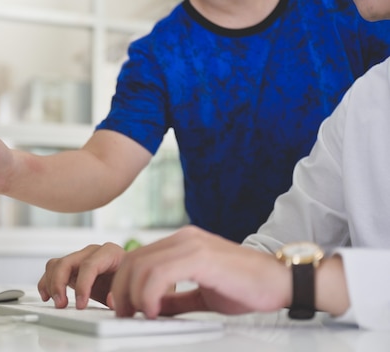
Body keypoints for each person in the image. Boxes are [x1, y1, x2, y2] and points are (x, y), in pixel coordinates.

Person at [0, 0, 390, 243]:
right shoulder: (161, 54)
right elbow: (103, 165)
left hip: (357, 269)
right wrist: (12, 173)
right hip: (231, 275)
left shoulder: (348, 10)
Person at [37, 0, 390, 330]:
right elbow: (271, 260)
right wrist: (161, 278)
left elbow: (280, 278)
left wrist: (291, 282)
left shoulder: (341, 23)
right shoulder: (364, 100)